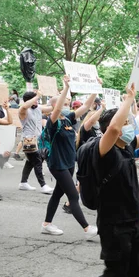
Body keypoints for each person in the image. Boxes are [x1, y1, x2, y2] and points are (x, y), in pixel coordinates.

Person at [61, 84, 139, 277]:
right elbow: (115, 127)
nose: (130, 126)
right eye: (128, 122)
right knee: (116, 272)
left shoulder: (125, 146)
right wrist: (128, 98)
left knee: (136, 272)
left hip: (133, 221)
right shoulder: (102, 150)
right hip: (114, 224)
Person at [40, 75, 97, 238]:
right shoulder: (52, 123)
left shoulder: (68, 119)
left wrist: (95, 90)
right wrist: (65, 88)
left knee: (57, 194)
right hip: (58, 165)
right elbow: (57, 109)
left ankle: (46, 224)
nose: (67, 105)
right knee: (73, 195)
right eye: (64, 103)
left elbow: (86, 106)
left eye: (67, 103)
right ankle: (87, 228)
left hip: (69, 163)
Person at [18, 91, 55, 194]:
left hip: (38, 140)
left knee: (30, 162)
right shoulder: (23, 110)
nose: (37, 101)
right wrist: (37, 95)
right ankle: (43, 185)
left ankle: (23, 182)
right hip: (28, 140)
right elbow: (24, 106)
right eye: (35, 99)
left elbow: (51, 108)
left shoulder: (38, 108)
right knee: (37, 161)